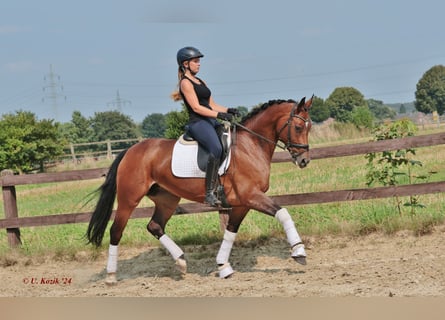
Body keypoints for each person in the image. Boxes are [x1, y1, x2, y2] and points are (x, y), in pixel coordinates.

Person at [171, 46, 239, 206]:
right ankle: (209, 193)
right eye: (195, 61)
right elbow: (196, 107)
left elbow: (212, 104)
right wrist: (219, 115)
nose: (199, 64)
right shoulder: (185, 83)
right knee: (215, 148)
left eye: (199, 61)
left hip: (210, 120)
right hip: (198, 123)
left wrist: (228, 110)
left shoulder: (201, 81)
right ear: (185, 64)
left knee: (229, 143)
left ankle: (222, 186)